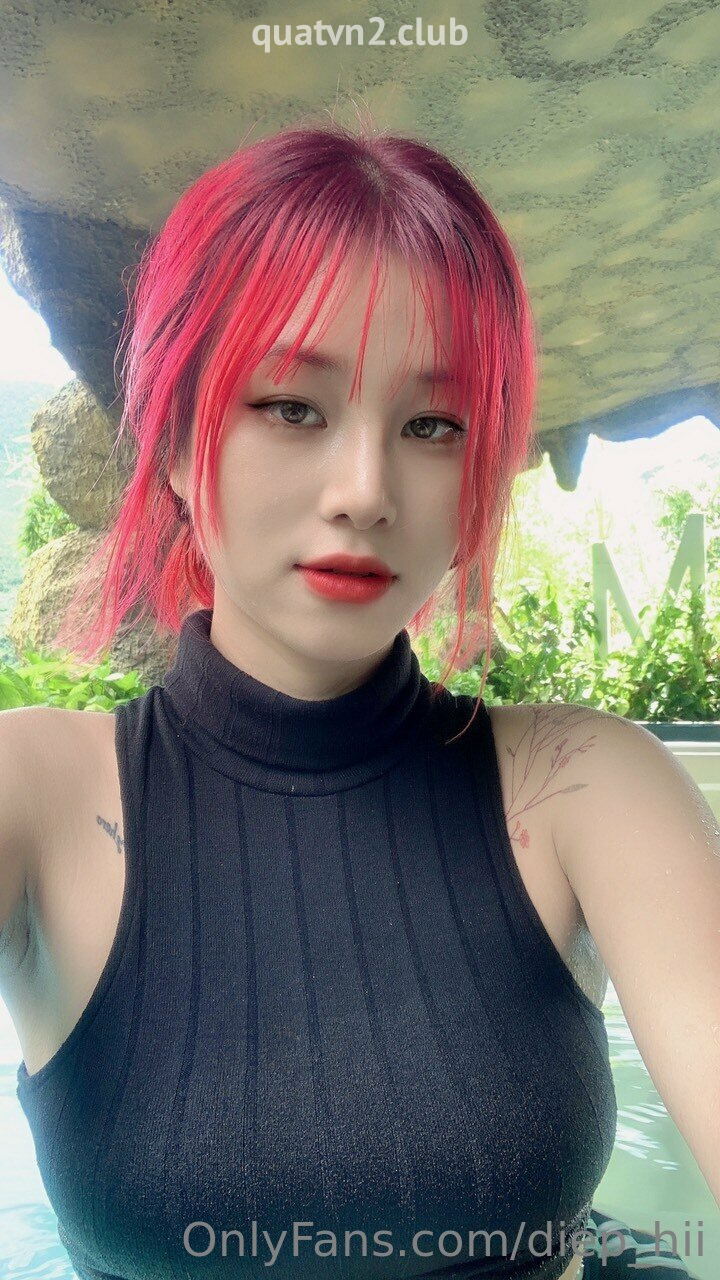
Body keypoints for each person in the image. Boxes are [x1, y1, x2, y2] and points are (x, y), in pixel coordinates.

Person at [2, 116, 714, 1280]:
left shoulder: (587, 786)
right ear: (175, 440)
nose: (366, 489)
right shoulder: (33, 791)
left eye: (434, 424)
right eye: (292, 405)